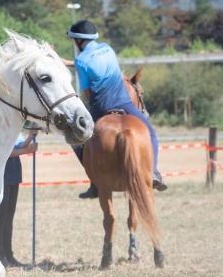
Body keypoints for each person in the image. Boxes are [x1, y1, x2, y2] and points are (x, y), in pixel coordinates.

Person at [62, 20, 167, 198]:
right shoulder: (107, 48)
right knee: (151, 132)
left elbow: (86, 92)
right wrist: (71, 63)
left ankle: (94, 183)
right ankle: (153, 172)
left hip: (101, 107)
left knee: (77, 139)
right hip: (124, 103)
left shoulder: (81, 61)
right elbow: (96, 65)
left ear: (79, 41)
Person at [0, 129, 38, 268]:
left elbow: (19, 145)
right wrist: (27, 151)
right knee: (0, 217)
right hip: (2, 175)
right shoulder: (0, 127)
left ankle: (9, 255)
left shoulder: (15, 127)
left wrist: (30, 137)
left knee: (8, 218)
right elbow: (6, 152)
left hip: (14, 173)